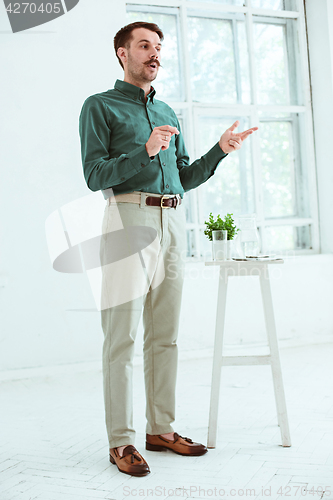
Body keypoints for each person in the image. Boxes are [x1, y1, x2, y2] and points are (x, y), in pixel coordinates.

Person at [79, 21, 258, 477]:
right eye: (144, 46)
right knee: (121, 336)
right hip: (127, 218)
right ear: (122, 53)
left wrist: (218, 151)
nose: (154, 54)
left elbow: (184, 177)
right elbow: (95, 175)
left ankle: (160, 429)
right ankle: (121, 441)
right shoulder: (99, 107)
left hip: (173, 218)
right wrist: (144, 149)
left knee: (166, 334)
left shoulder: (170, 114)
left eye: (158, 47)